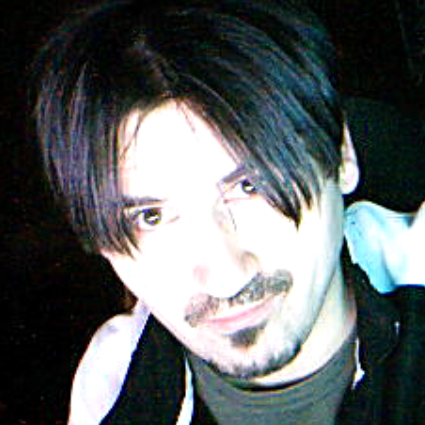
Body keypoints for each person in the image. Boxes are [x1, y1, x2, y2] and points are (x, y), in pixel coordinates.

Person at [33, 0, 425, 424]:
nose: (225, 278)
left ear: (341, 154)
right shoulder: (112, 381)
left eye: (250, 185)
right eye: (151, 217)